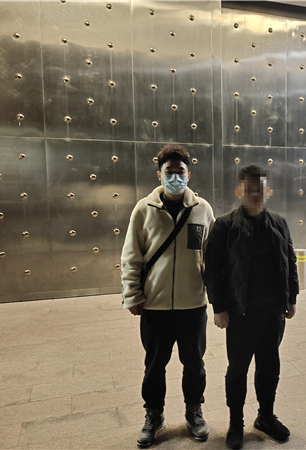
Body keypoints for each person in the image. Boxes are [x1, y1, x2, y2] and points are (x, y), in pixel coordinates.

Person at [121, 144, 215, 448]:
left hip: (192, 305)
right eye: (169, 172)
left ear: (189, 174)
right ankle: (154, 415)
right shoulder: (143, 209)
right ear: (159, 175)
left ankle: (194, 412)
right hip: (155, 305)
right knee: (154, 365)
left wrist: (218, 298)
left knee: (194, 363)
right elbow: (131, 256)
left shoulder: (202, 208)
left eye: (180, 172)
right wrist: (132, 295)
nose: (175, 177)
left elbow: (212, 257)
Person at [204, 165, 299, 450]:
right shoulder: (224, 225)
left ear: (268, 191)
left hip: (273, 312)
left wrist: (291, 298)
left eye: (260, 189)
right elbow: (212, 270)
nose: (255, 194)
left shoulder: (279, 223)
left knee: (269, 366)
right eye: (249, 190)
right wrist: (219, 307)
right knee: (238, 369)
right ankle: (236, 423)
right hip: (240, 313)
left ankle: (265, 416)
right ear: (239, 191)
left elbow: (290, 261)